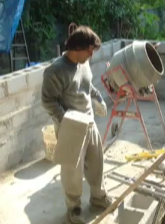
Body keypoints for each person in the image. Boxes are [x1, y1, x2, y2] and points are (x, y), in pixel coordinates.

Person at [41, 24, 112, 224]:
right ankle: (74, 207)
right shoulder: (55, 71)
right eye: (89, 50)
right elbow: (48, 101)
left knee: (97, 162)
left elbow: (88, 86)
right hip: (71, 128)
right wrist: (66, 121)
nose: (92, 54)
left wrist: (99, 99)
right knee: (73, 170)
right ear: (77, 48)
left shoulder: (84, 63)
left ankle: (98, 197)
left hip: (89, 122)